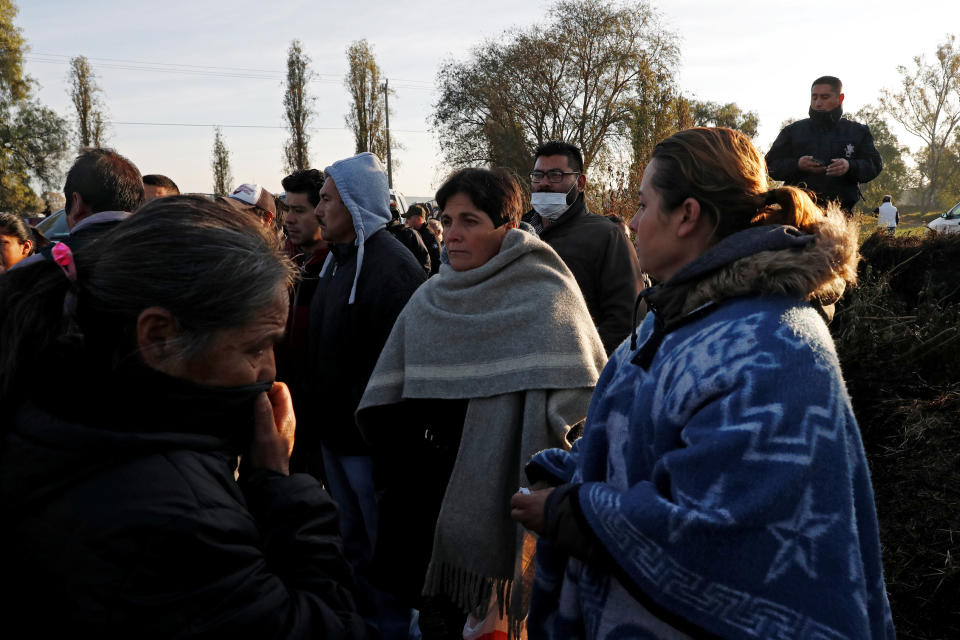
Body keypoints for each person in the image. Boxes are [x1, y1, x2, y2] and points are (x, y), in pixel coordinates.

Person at [511, 128, 894, 639]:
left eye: (644, 205)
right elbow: (626, 448)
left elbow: (729, 534)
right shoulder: (668, 319)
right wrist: (565, 473)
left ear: (687, 215)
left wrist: (571, 512)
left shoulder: (775, 347)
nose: (633, 221)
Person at [0, 196, 370, 638]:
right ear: (159, 337)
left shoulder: (49, 396)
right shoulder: (180, 517)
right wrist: (279, 487)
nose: (271, 371)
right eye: (255, 348)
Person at [357, 167, 607, 639]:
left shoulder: (548, 294)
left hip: (505, 499)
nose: (451, 234)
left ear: (507, 229)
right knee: (435, 620)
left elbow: (583, 407)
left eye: (469, 221)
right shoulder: (430, 297)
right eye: (446, 221)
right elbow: (389, 400)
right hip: (425, 504)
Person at [303, 152, 427, 635]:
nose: (318, 211)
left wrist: (381, 441)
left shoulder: (391, 267)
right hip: (336, 439)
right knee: (353, 544)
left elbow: (403, 368)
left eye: (328, 200)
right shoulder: (337, 262)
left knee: (385, 551)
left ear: (355, 204)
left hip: (372, 448)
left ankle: (397, 629)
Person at [522, 141, 644, 354]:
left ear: (580, 183)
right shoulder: (519, 234)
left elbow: (627, 319)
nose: (544, 183)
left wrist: (579, 359)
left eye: (555, 175)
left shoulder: (606, 236)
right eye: (538, 176)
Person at [765, 76, 882, 213]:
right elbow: (770, 164)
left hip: (841, 215)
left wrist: (849, 166)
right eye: (814, 97)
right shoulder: (792, 131)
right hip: (797, 213)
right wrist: (797, 164)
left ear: (840, 98)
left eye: (824, 97)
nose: (818, 103)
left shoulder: (858, 132)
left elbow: (874, 164)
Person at [277, 169, 330, 417]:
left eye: (299, 210)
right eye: (287, 209)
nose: (288, 219)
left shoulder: (338, 269)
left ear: (322, 211)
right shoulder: (283, 263)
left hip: (324, 412)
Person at [386, 201, 432, 275]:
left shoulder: (410, 234)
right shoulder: (411, 233)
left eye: (409, 218)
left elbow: (426, 264)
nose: (406, 221)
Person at [406, 203, 442, 275]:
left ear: (419, 219)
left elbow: (436, 261)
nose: (407, 221)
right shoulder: (419, 233)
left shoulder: (428, 235)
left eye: (409, 218)